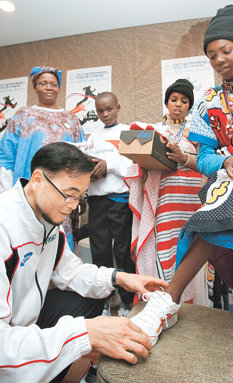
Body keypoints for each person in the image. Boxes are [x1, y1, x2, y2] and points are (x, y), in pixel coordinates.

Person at [131, 2, 233, 345]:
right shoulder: (208, 102)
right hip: (229, 187)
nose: (219, 60)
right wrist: (226, 162)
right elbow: (203, 158)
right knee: (226, 197)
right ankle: (168, 302)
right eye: (212, 55)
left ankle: (168, 300)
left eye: (226, 50)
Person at [0, 141, 169, 383]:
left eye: (80, 198)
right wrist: (83, 334)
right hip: (7, 342)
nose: (72, 207)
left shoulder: (50, 225)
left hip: (27, 323)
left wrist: (119, 277)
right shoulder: (4, 226)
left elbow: (71, 272)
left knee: (92, 293)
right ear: (37, 180)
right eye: (69, 195)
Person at [125, 79, 207, 305]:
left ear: (189, 105)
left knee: (188, 247)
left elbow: (204, 164)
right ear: (166, 102)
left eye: (184, 101)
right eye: (174, 100)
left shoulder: (196, 132)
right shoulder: (154, 131)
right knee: (161, 244)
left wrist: (184, 157)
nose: (178, 105)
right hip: (161, 199)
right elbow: (136, 159)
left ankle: (187, 302)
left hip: (189, 201)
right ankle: (160, 300)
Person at [0, 65, 84, 251]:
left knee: (60, 250)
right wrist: (7, 192)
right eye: (43, 83)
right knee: (26, 246)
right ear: (35, 87)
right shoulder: (22, 115)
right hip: (30, 190)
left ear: (59, 87)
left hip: (64, 193)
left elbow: (82, 155)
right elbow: (6, 156)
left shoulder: (71, 119)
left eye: (53, 84)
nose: (48, 87)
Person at [77, 91, 135, 314]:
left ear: (118, 107)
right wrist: (89, 171)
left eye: (109, 109)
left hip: (120, 201)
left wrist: (108, 165)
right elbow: (86, 163)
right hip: (97, 202)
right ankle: (106, 301)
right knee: (99, 252)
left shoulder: (128, 132)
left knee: (123, 252)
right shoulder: (92, 137)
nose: (105, 114)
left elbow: (133, 166)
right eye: (100, 111)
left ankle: (128, 302)